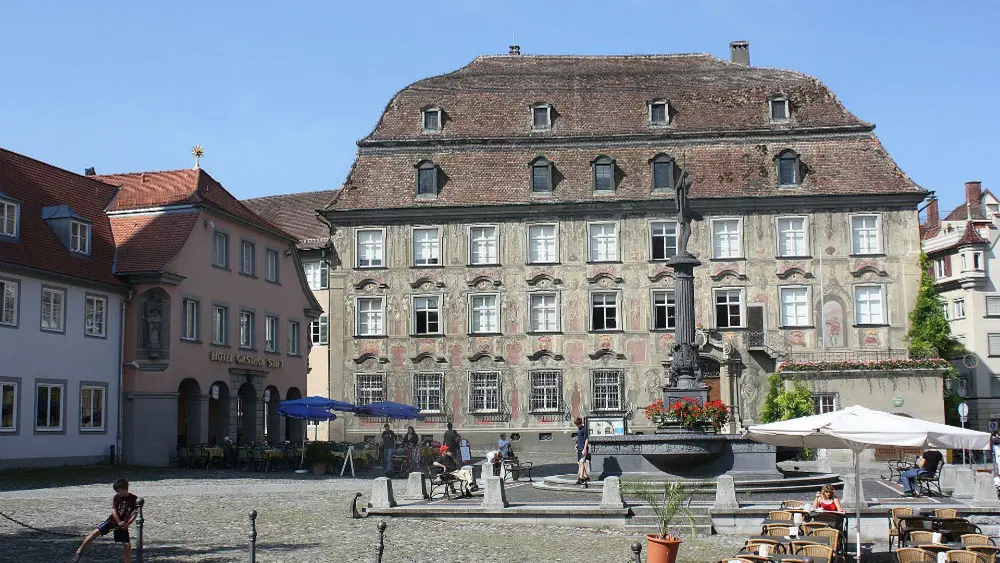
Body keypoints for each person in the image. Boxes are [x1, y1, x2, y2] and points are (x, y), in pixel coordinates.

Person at [75, 478, 138, 562]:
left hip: (124, 525)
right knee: (95, 533)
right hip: (113, 520)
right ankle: (79, 550)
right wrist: (118, 521)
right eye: (117, 491)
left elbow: (135, 513)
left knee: (127, 546)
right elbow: (114, 510)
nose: (117, 493)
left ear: (124, 489)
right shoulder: (116, 497)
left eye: (119, 491)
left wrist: (128, 523)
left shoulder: (134, 499)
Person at [574, 417, 590, 487]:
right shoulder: (579, 429)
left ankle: (581, 478)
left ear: (580, 423)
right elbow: (580, 438)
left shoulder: (584, 429)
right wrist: (577, 444)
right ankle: (586, 476)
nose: (577, 426)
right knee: (579, 463)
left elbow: (586, 439)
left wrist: (585, 449)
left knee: (581, 462)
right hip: (579, 448)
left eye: (577, 424)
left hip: (583, 449)